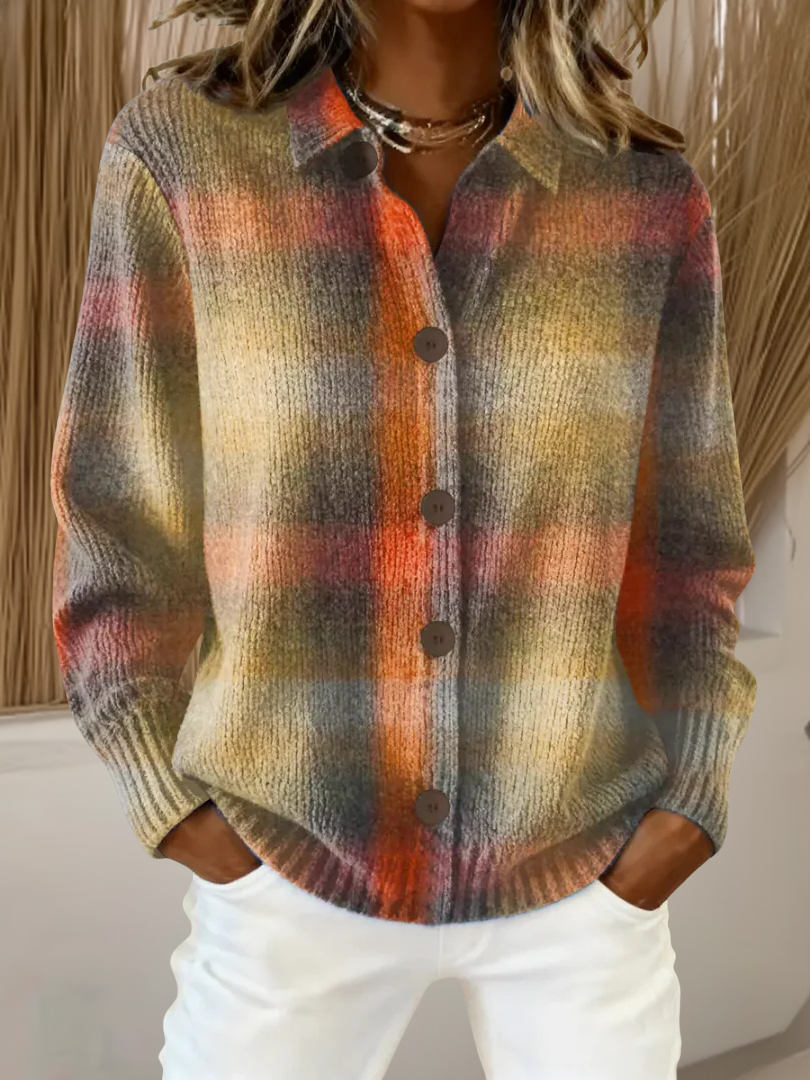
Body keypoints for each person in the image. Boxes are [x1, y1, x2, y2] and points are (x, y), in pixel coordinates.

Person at [49, 0, 757, 1076]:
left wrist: (688, 806)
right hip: (287, 868)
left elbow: (689, 546)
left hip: (585, 879)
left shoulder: (643, 191)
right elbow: (120, 510)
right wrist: (171, 794)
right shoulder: (186, 154)